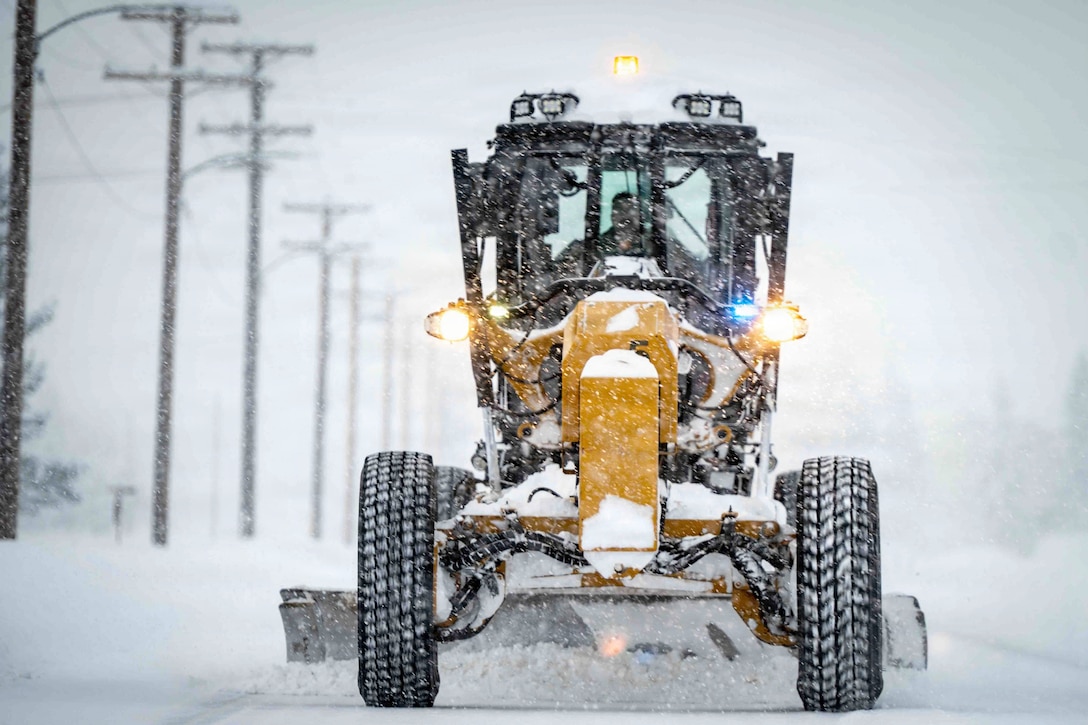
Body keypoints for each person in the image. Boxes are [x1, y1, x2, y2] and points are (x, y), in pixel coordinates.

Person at [597, 192, 646, 256]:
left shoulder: (647, 241)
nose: (624, 216)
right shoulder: (601, 243)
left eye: (628, 211)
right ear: (612, 216)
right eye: (619, 212)